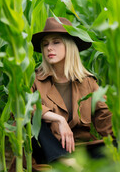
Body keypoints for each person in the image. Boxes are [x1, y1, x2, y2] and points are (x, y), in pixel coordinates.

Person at [30, 16, 114, 165]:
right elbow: (23, 107)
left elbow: (106, 118)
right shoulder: (35, 79)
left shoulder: (88, 82)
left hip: (79, 150)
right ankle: (63, 162)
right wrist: (58, 119)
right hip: (47, 152)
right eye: (45, 44)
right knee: (32, 121)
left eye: (56, 42)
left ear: (69, 46)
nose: (49, 48)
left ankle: (74, 163)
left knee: (119, 147)